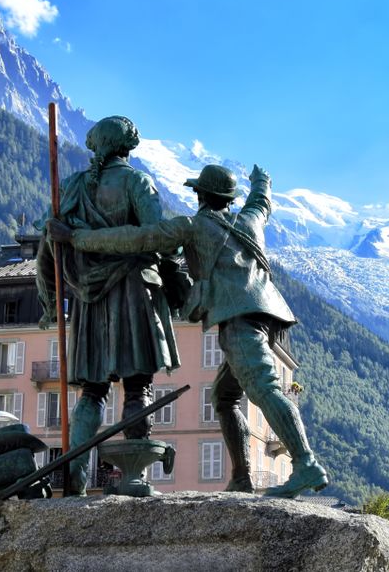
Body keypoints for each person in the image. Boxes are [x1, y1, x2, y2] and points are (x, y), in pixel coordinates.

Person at [47, 163, 329, 499]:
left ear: (200, 195)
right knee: (224, 398)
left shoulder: (193, 227)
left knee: (264, 387)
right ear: (228, 198)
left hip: (240, 319)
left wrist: (75, 237)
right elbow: (261, 200)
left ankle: (306, 463)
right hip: (264, 315)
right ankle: (241, 477)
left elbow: (135, 238)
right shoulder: (250, 220)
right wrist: (261, 179)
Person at [37, 115, 185, 495]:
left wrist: (51, 301)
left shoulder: (70, 188)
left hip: (90, 301)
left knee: (92, 392)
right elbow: (156, 236)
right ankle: (134, 478)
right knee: (137, 387)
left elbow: (47, 249)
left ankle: (74, 480)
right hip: (134, 291)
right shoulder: (137, 183)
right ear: (127, 148)